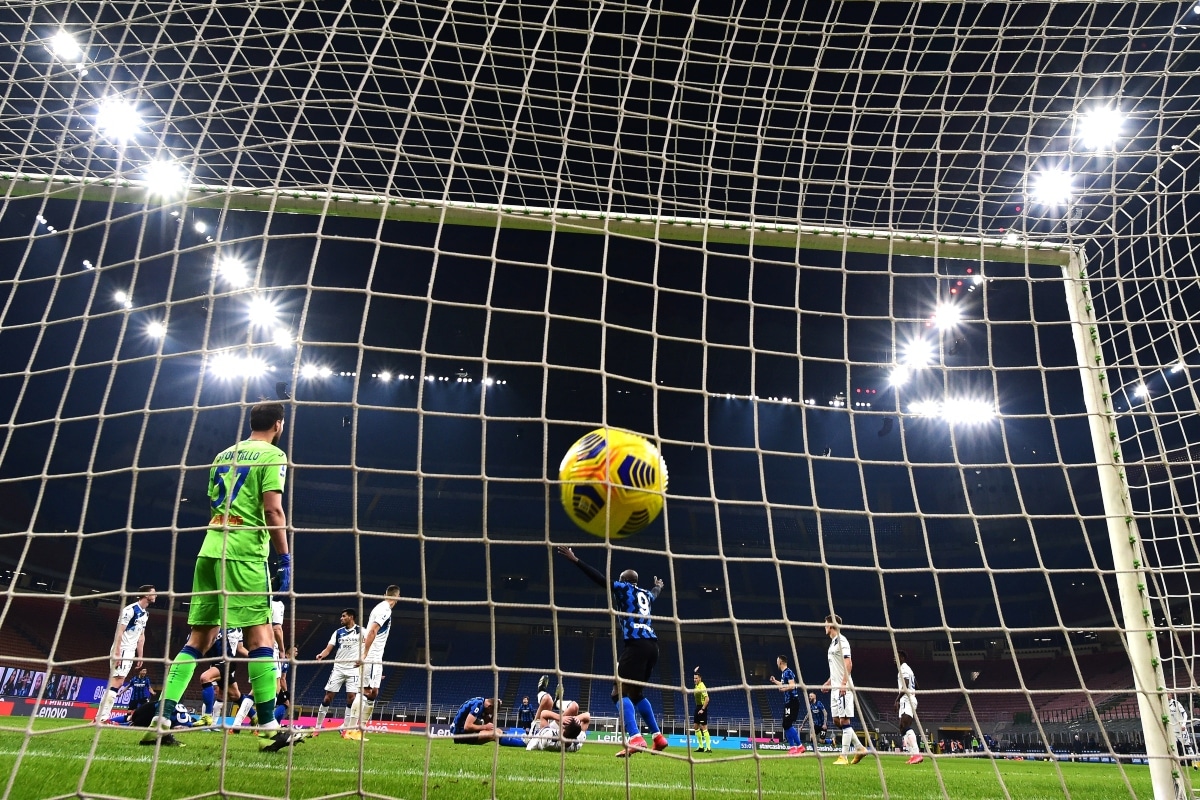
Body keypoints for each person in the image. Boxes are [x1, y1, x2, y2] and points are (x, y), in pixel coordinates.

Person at [148, 402, 301, 751]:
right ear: (279, 424)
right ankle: (268, 727)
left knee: (198, 639)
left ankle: (163, 716)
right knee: (261, 638)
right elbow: (272, 508)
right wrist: (285, 556)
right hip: (244, 553)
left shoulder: (223, 455)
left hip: (210, 549)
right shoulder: (273, 455)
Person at [556, 545, 669, 757]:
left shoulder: (624, 589)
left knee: (618, 693)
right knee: (636, 694)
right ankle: (658, 737)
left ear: (624, 581)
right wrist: (658, 586)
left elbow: (601, 580)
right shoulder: (645, 593)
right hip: (653, 646)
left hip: (636, 644)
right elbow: (654, 593)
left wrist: (576, 560)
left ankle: (635, 737)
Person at [344, 585, 401, 741]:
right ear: (397, 597)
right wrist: (365, 655)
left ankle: (359, 731)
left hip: (376, 658)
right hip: (372, 655)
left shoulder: (381, 607)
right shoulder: (385, 609)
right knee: (366, 691)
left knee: (373, 692)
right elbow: (372, 631)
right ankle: (351, 730)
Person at [97, 585, 156, 723]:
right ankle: (103, 718)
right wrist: (117, 652)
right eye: (154, 593)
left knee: (117, 682)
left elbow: (141, 636)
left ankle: (100, 718)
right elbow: (119, 631)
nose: (156, 595)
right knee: (117, 682)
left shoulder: (145, 614)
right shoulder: (130, 610)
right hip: (122, 649)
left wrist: (140, 655)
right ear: (146, 595)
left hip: (130, 651)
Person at [822, 614, 867, 765]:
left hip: (843, 687)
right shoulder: (832, 643)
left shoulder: (842, 641)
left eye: (826, 624)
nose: (824, 626)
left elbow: (849, 664)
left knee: (844, 720)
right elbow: (837, 667)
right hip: (835, 688)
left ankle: (844, 756)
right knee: (836, 720)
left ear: (832, 625)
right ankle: (860, 748)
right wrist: (829, 682)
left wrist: (843, 683)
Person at [314, 608, 364, 736]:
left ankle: (345, 728)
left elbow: (369, 647)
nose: (341, 618)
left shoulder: (362, 631)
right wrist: (321, 655)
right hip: (338, 669)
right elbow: (328, 648)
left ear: (351, 617)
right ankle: (318, 727)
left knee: (351, 698)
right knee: (328, 697)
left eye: (343, 616)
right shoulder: (338, 632)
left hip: (353, 669)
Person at [770, 655, 805, 755]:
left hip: (792, 701)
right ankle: (797, 747)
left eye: (777, 661)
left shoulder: (788, 672)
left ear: (780, 662)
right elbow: (783, 685)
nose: (776, 663)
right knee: (786, 724)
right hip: (789, 702)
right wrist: (775, 681)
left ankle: (796, 747)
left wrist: (783, 689)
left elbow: (792, 686)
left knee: (786, 724)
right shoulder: (784, 673)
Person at [525, 700, 591, 752]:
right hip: (560, 735)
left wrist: (560, 718)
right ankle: (557, 702)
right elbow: (587, 716)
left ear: (563, 728)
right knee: (574, 707)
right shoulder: (577, 743)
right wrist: (574, 721)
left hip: (537, 735)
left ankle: (555, 701)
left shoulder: (548, 738)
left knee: (547, 699)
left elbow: (543, 714)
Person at [896, 650, 922, 765]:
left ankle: (916, 754)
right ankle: (913, 755)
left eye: (896, 657)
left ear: (901, 657)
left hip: (907, 699)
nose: (894, 659)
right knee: (902, 727)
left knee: (905, 725)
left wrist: (896, 699)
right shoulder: (908, 669)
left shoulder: (904, 669)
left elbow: (906, 685)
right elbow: (917, 685)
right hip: (907, 699)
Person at [1168, 692, 1196, 766]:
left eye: (1169, 694)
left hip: (1181, 729)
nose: (1168, 695)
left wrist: (1183, 724)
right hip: (1172, 730)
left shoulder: (1176, 703)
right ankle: (1177, 763)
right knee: (1174, 746)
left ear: (1171, 695)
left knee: (1187, 746)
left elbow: (1185, 714)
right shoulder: (1164, 705)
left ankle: (1195, 763)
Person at [692, 667, 712, 753]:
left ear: (700, 679)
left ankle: (708, 748)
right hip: (697, 707)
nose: (695, 680)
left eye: (696, 678)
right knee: (696, 726)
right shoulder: (697, 685)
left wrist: (703, 709)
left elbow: (707, 699)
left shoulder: (702, 686)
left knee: (704, 727)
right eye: (694, 678)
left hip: (702, 708)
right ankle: (701, 746)